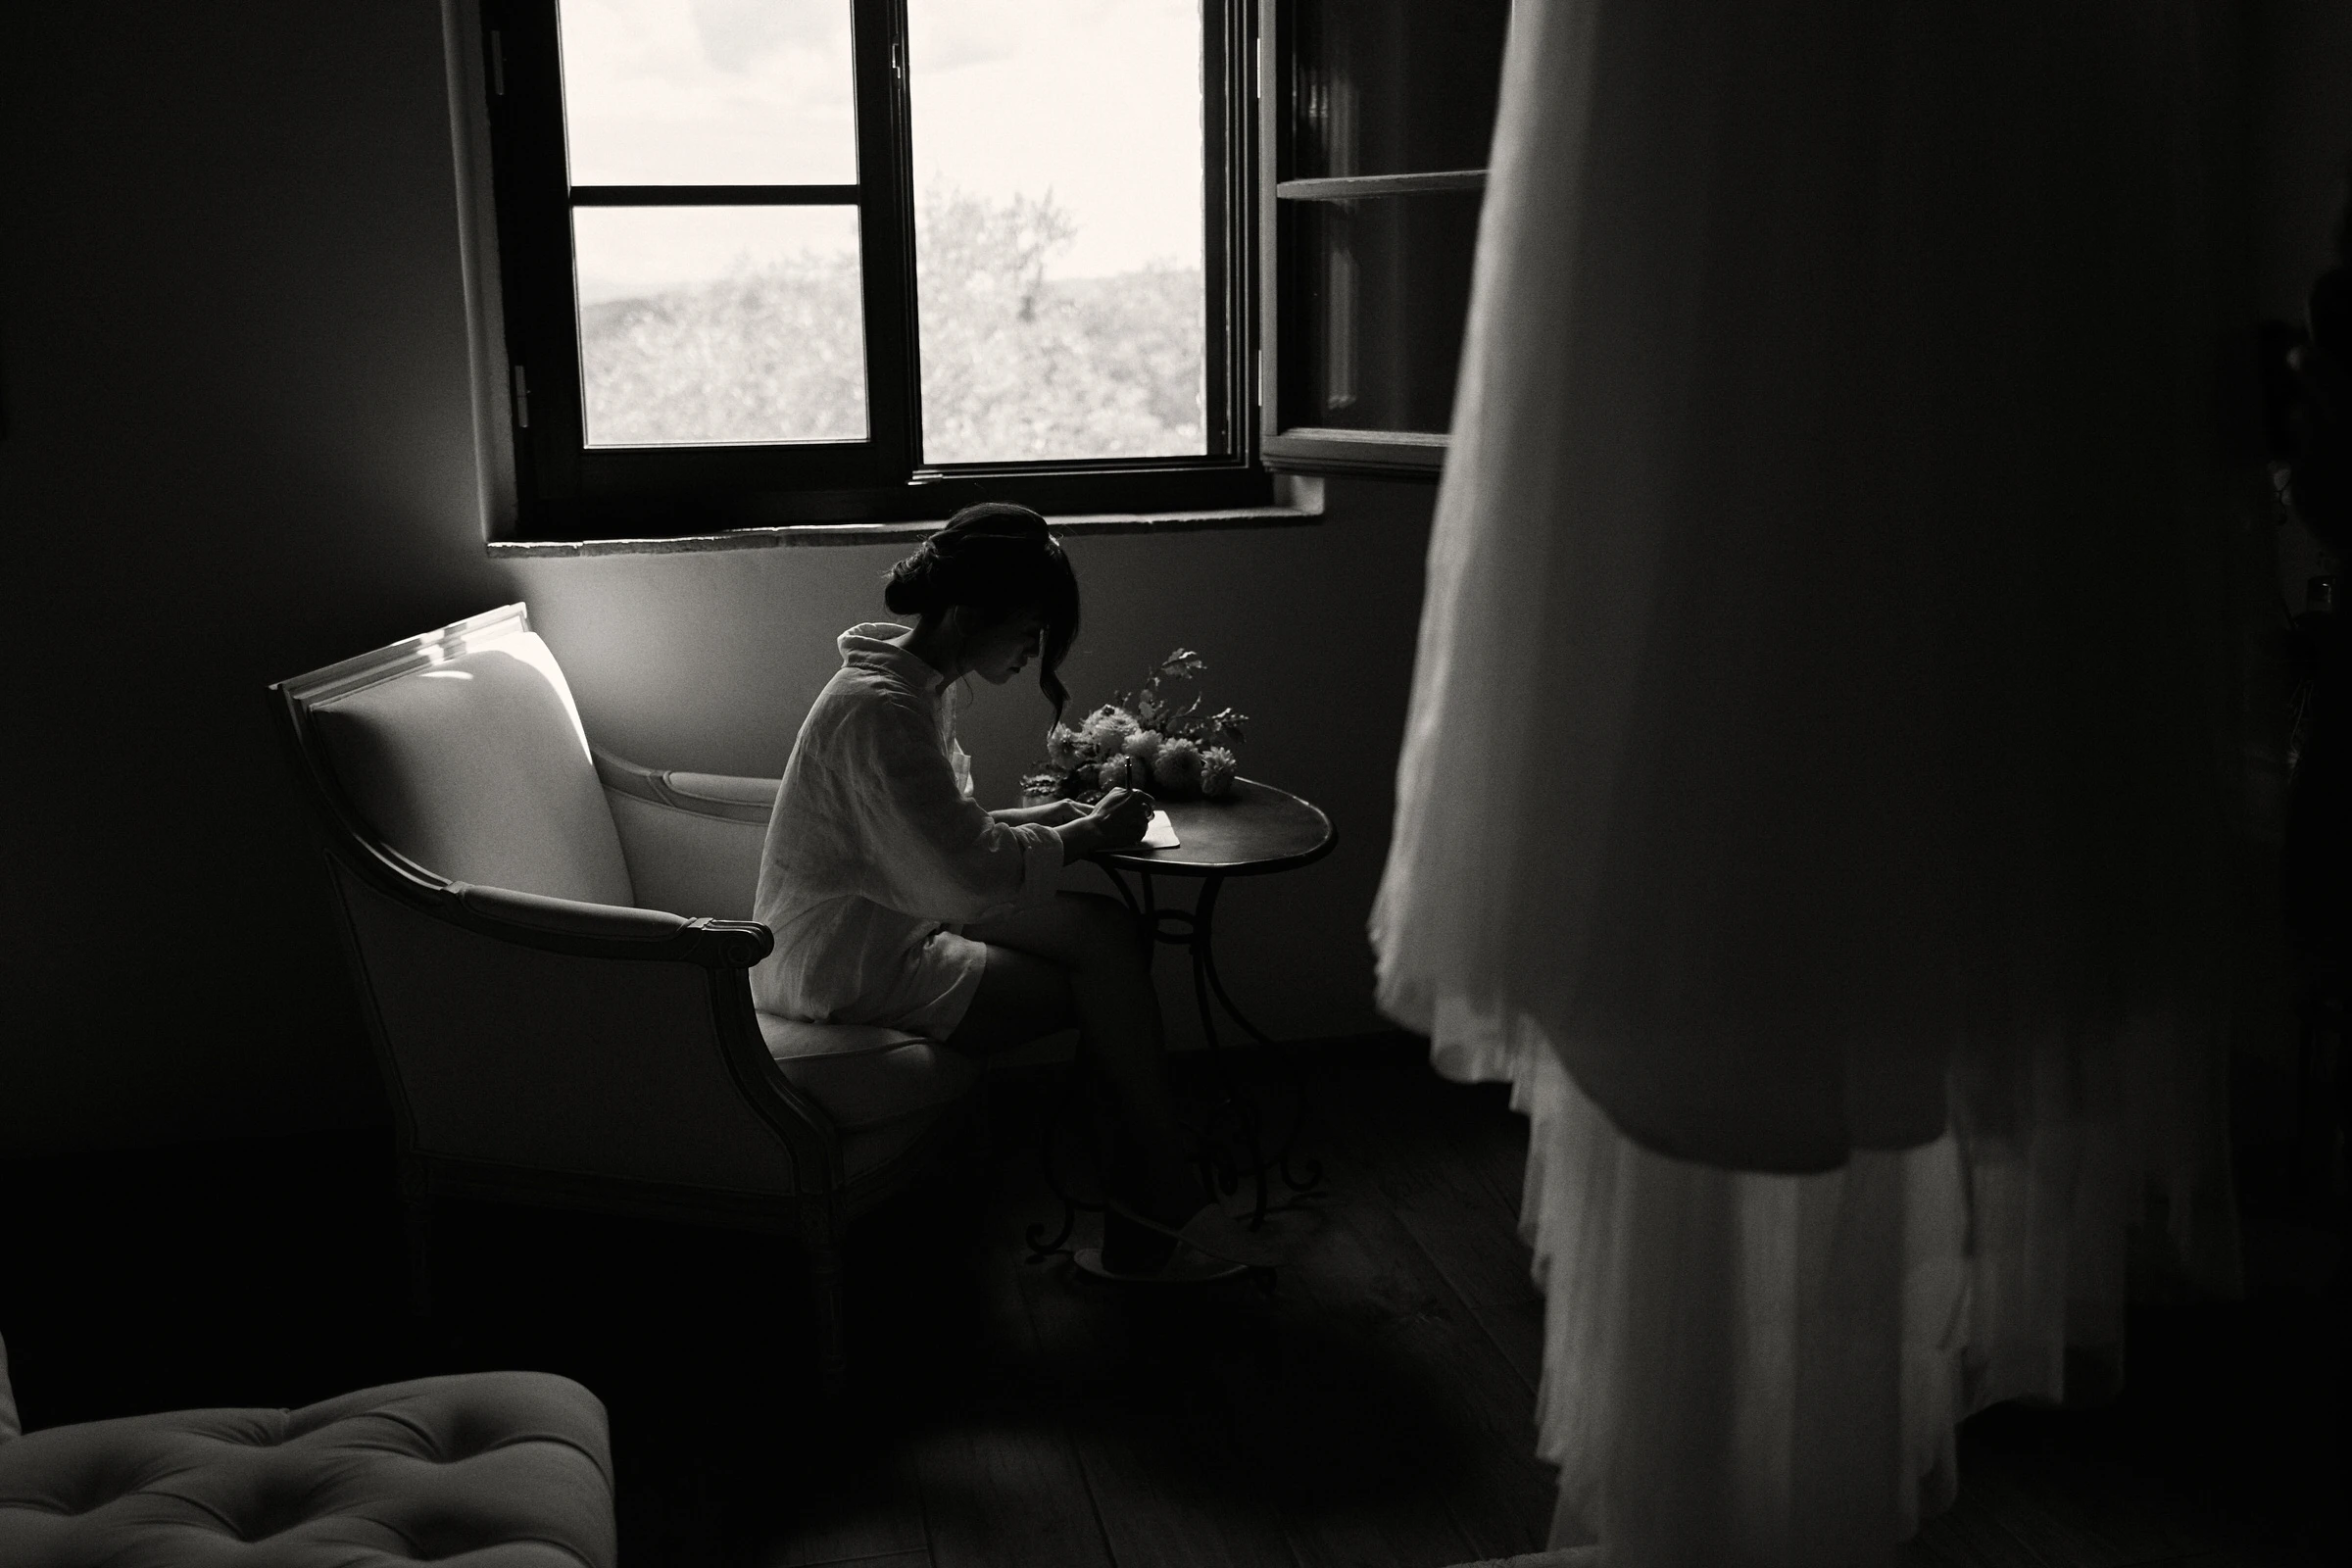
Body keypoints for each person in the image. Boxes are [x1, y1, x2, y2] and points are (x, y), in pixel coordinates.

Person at [751, 502, 1268, 1282]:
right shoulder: (881, 710)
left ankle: (1152, 1191)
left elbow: (926, 835)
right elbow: (961, 875)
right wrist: (1089, 834)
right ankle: (1162, 1190)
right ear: (969, 611)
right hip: (846, 968)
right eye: (1029, 631)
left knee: (1104, 935)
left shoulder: (910, 687)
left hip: (890, 921)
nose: (1033, 652)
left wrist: (1055, 817)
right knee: (1103, 979)